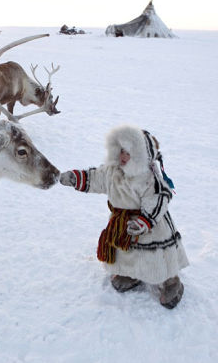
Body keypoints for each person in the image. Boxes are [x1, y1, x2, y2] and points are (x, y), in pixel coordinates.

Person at [59, 125, 189, 308]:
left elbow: (158, 200)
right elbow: (96, 178)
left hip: (151, 226)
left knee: (156, 257)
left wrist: (145, 221)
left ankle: (170, 282)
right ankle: (131, 274)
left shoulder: (148, 178)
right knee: (126, 252)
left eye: (128, 152)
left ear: (141, 154)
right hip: (122, 224)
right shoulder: (112, 171)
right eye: (121, 151)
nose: (122, 156)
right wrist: (77, 178)